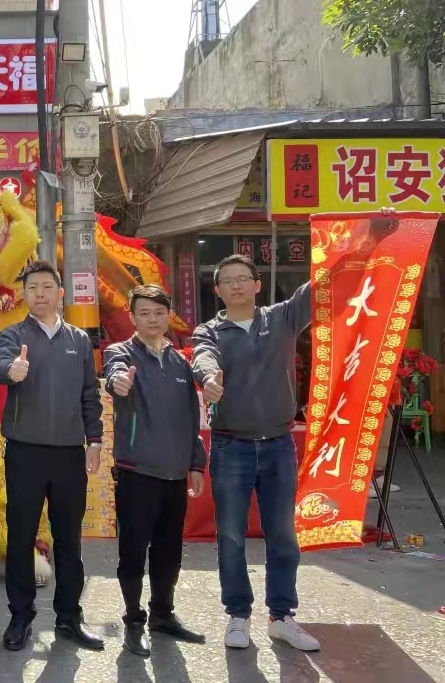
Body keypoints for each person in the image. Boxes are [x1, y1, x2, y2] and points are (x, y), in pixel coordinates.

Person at [192, 254, 318, 652]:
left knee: (282, 534)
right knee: (231, 535)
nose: (236, 285)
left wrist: (367, 239)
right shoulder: (209, 331)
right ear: (217, 290)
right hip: (231, 446)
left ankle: (281, 616)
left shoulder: (282, 318)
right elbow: (202, 358)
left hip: (278, 444)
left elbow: (322, 284)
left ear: (257, 285)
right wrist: (209, 378)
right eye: (227, 280)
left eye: (243, 278)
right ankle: (238, 615)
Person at [0, 261, 105, 652]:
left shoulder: (79, 340)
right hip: (25, 451)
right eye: (32, 288)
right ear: (23, 294)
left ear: (60, 293)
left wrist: (95, 440)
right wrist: (12, 370)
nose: (39, 294)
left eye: (46, 287)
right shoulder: (13, 335)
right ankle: (20, 616)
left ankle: (69, 616)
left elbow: (90, 393)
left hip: (69, 454)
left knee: (69, 539)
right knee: (21, 536)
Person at [103, 284, 208, 658]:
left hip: (175, 475)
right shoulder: (120, 353)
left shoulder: (180, 363)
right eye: (144, 313)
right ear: (132, 317)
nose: (152, 319)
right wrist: (119, 381)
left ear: (168, 317)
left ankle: (163, 614)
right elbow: (114, 374)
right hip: (137, 472)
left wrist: (195, 463)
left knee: (169, 551)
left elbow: (191, 417)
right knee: (133, 551)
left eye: (159, 313)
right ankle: (134, 619)